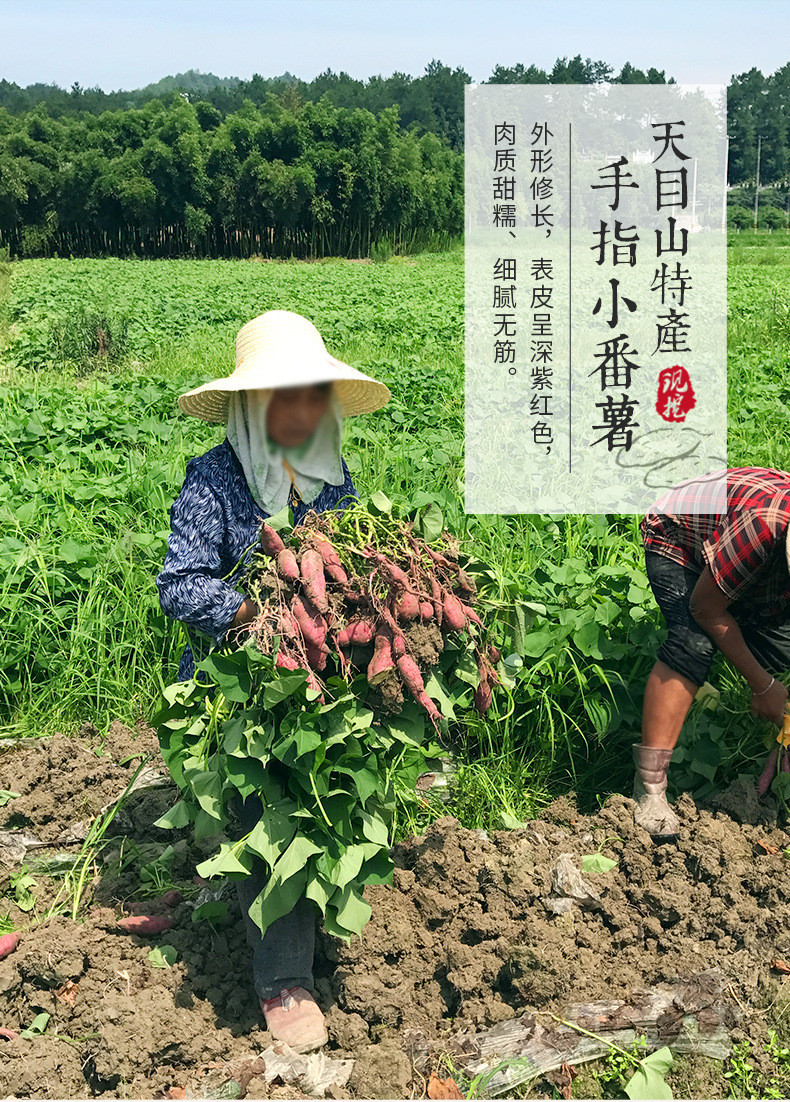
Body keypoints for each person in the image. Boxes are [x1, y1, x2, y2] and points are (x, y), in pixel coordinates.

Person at [156, 309, 390, 1052]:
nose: (303, 412)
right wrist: (255, 611)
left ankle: (298, 911)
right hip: (240, 688)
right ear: (254, 406)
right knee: (277, 804)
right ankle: (283, 979)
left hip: (319, 679)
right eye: (287, 398)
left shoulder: (331, 474)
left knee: (336, 793)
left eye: (313, 396)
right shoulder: (216, 481)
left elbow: (348, 560)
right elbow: (178, 585)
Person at [635, 466, 790, 837]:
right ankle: (649, 788)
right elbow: (704, 607)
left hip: (750, 550)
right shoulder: (763, 526)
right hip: (680, 537)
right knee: (694, 642)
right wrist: (763, 686)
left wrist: (788, 733)